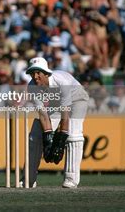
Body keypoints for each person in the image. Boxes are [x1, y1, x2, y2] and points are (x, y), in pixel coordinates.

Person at [21, 57, 88, 189]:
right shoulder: (32, 86)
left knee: (73, 135)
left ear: (46, 73)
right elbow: (43, 114)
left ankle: (71, 179)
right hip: (56, 104)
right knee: (35, 135)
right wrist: (48, 138)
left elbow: (65, 115)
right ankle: (27, 180)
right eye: (32, 73)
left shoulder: (62, 82)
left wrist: (60, 140)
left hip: (77, 100)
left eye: (38, 73)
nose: (35, 77)